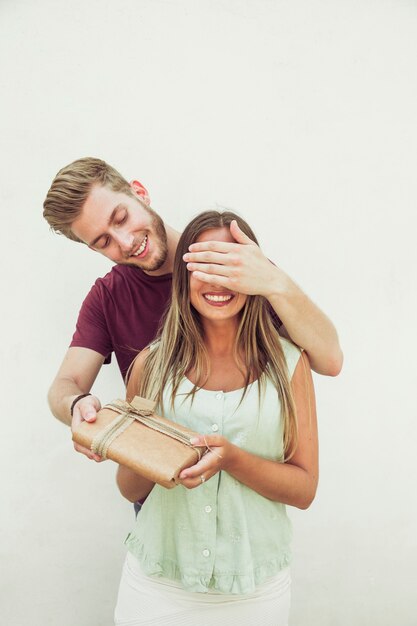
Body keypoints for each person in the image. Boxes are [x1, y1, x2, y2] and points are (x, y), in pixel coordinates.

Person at [42, 157, 341, 464]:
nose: (126, 242)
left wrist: (275, 281)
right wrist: (75, 404)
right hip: (160, 490)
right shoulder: (109, 296)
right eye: (104, 241)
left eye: (121, 218)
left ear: (139, 193)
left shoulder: (226, 257)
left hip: (248, 485)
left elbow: (329, 360)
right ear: (93, 248)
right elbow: (65, 386)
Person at [115, 210, 318, 625]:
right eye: (203, 266)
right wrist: (132, 446)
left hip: (254, 590)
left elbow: (304, 489)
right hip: (158, 585)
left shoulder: (289, 365)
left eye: (229, 265)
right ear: (183, 278)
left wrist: (232, 459)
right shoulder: (149, 367)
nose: (216, 281)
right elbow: (128, 487)